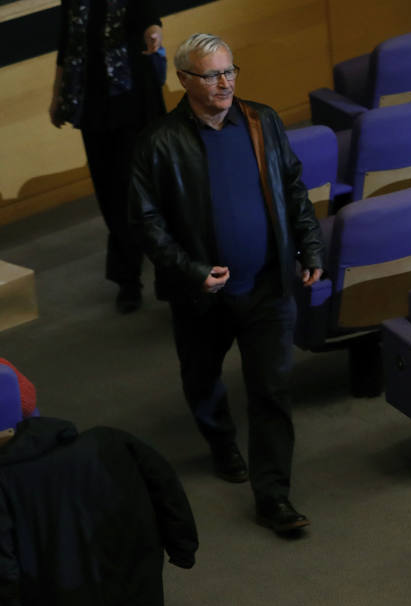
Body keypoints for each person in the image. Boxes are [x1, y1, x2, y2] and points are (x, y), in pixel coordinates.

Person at [129, 33, 323, 535]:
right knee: (202, 376)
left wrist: (309, 246)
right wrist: (192, 272)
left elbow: (293, 187)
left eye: (230, 71)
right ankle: (219, 441)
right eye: (212, 75)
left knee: (271, 391)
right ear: (185, 80)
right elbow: (147, 225)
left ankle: (273, 497)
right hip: (202, 295)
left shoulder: (262, 121)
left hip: (267, 287)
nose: (225, 82)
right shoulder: (158, 143)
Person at [1, 411, 197, 606]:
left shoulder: (5, 485)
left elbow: (4, 580)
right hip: (130, 602)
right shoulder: (109, 441)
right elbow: (166, 486)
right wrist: (183, 547)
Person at [50, 0, 166, 313]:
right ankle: (128, 279)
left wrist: (154, 35)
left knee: (146, 190)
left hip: (135, 102)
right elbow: (67, 42)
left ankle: (172, 273)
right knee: (111, 194)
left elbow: (149, 17)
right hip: (94, 107)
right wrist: (58, 95)